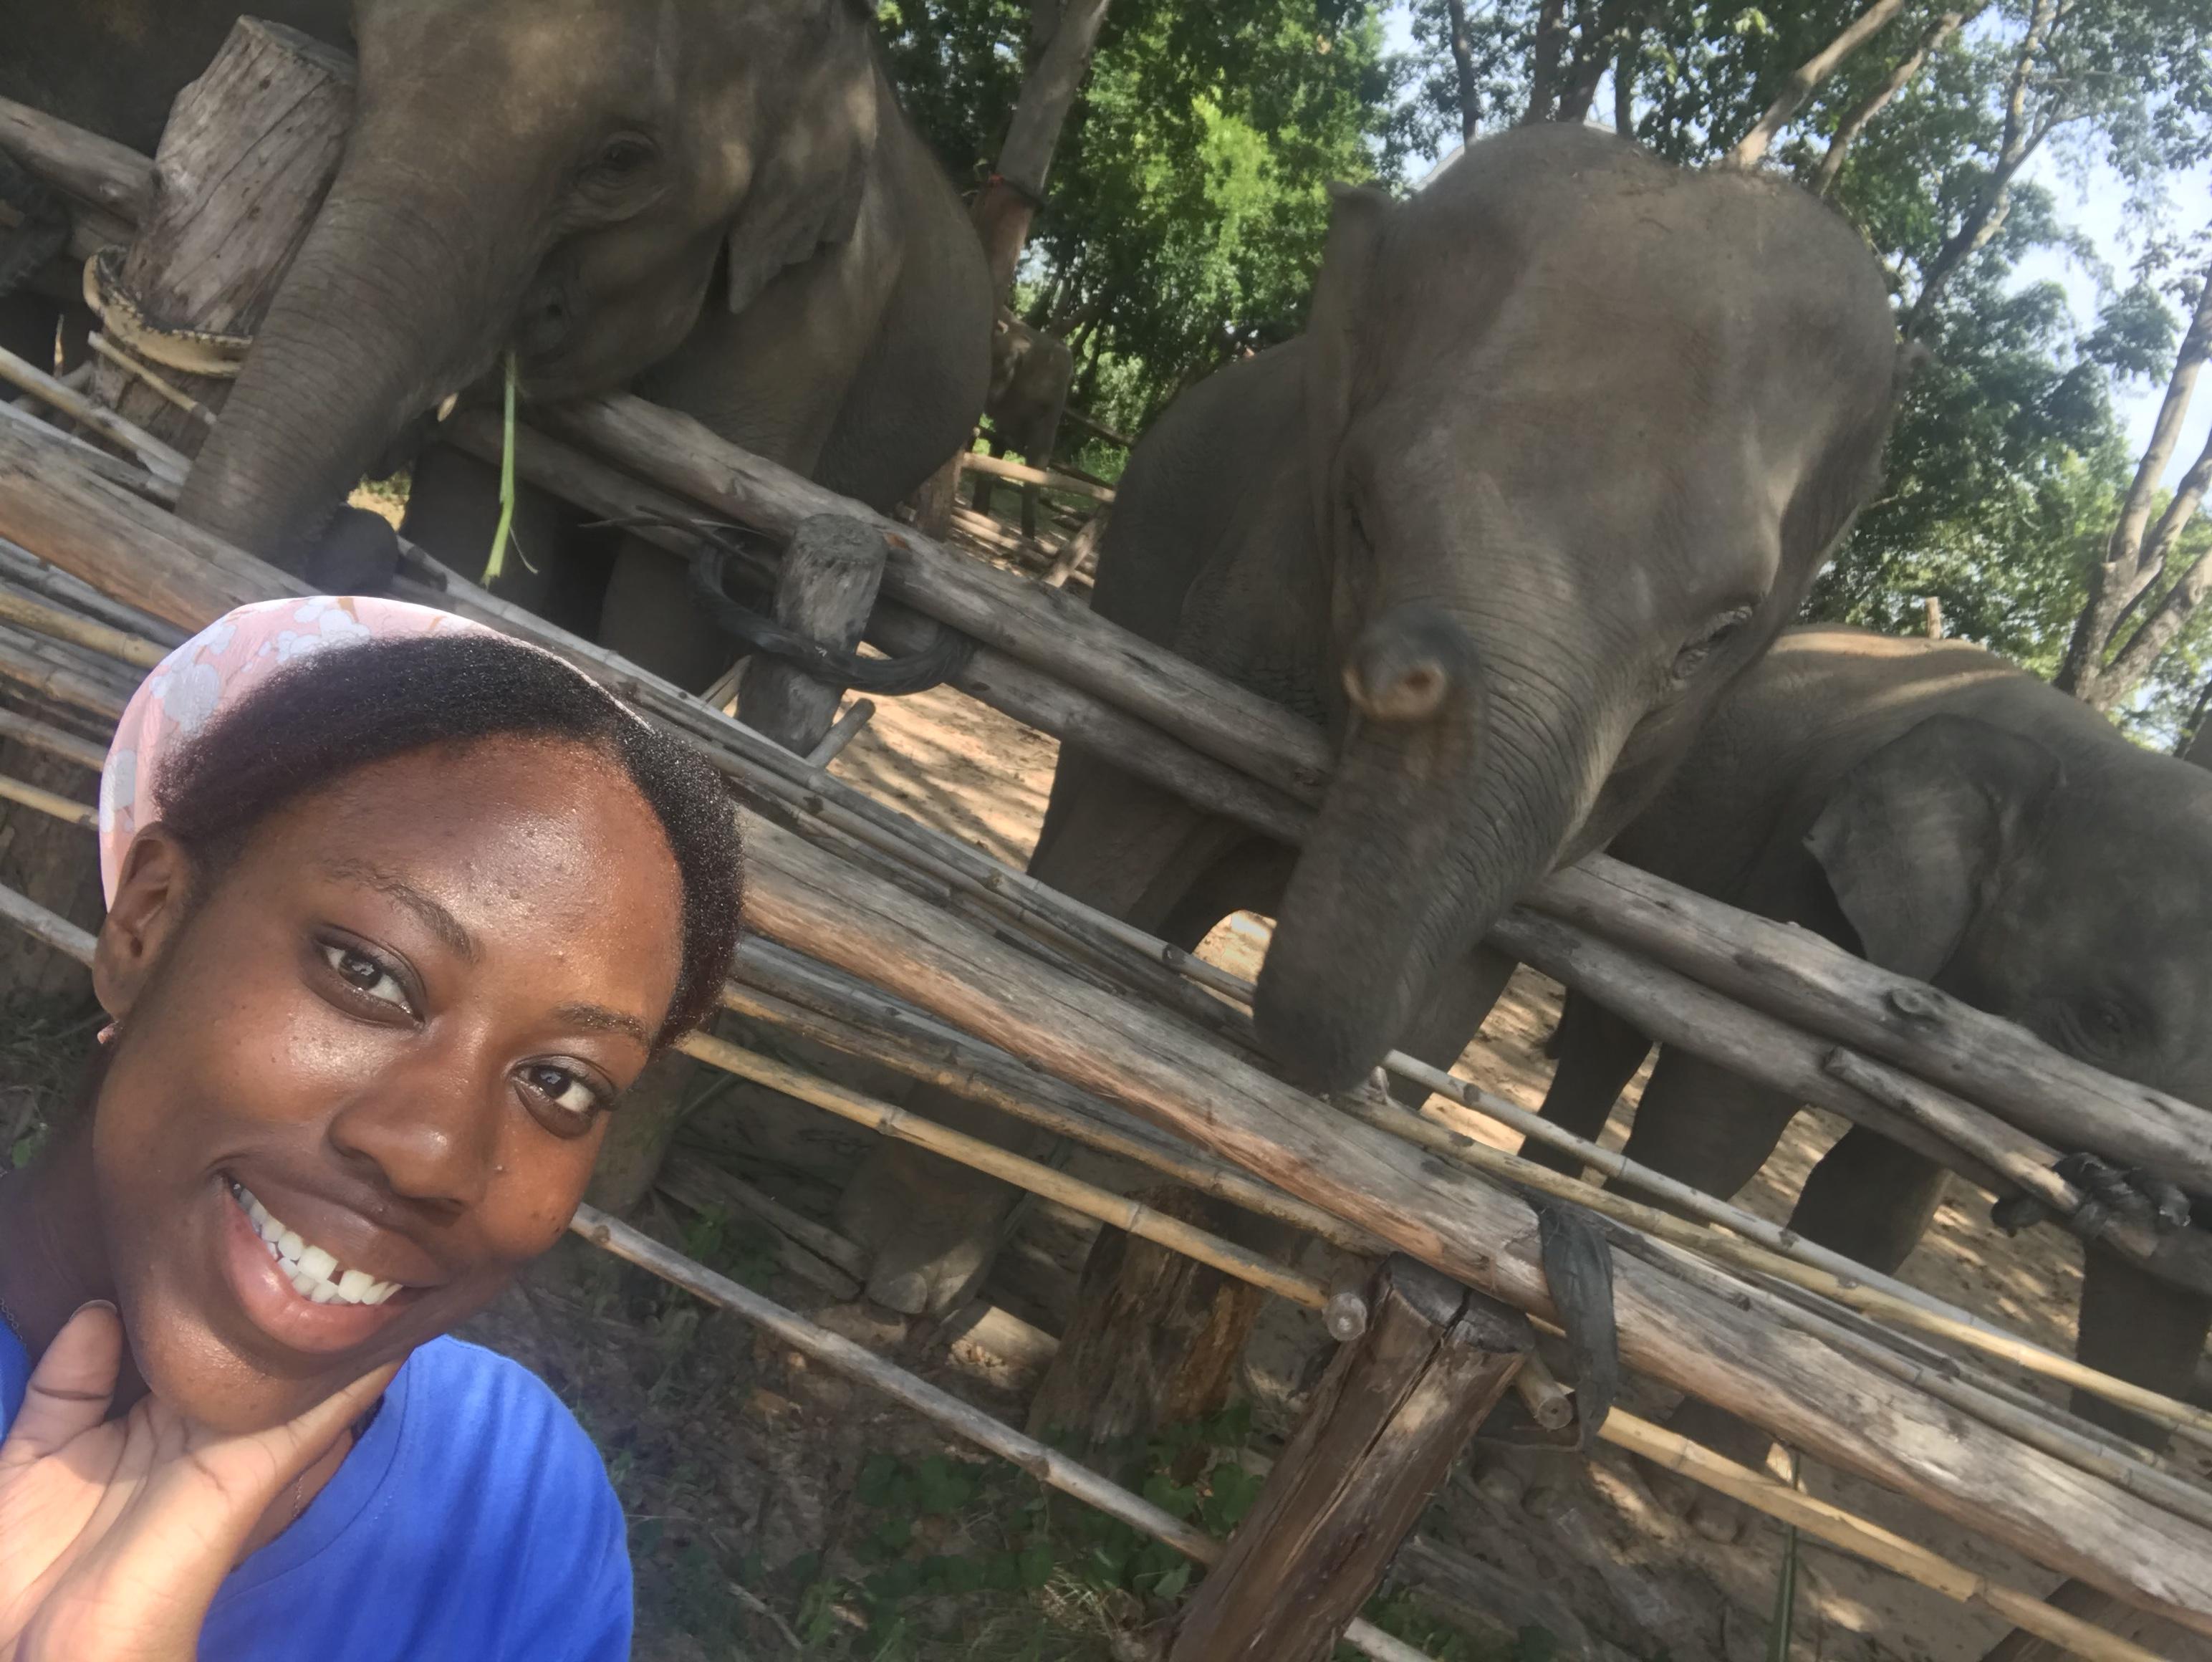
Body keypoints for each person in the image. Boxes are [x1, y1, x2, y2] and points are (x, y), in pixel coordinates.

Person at [0, 596, 744, 1661]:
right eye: (369, 973)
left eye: (561, 1083)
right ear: (148, 923)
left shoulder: (515, 1514)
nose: (435, 1154)